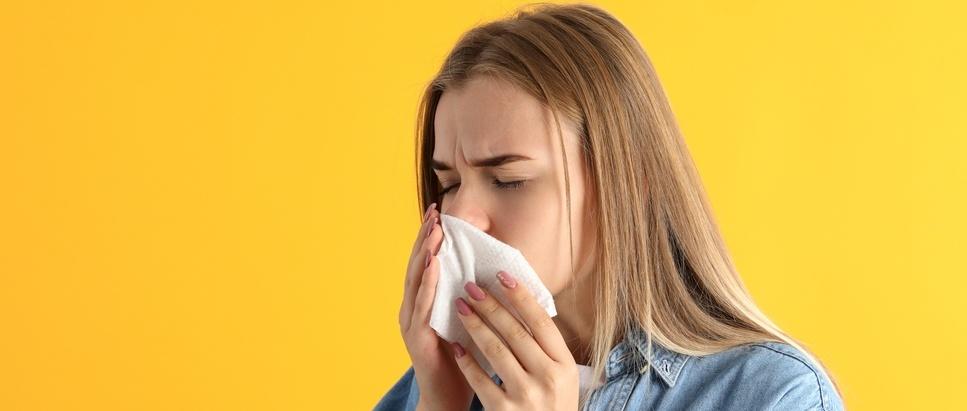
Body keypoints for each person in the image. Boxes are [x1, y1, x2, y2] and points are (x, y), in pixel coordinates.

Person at [376, 3, 844, 410]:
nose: (460, 216)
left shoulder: (771, 396)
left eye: (508, 180)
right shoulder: (441, 380)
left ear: (628, 182)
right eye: (449, 183)